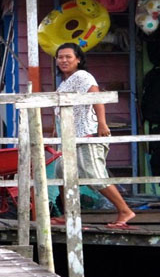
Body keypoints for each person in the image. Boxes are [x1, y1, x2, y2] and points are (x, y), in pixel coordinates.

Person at [53, 42, 135, 229]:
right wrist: (55, 132)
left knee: (93, 173)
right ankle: (69, 214)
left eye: (68, 57)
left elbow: (96, 98)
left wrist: (102, 123)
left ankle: (124, 210)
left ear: (78, 59)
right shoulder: (64, 82)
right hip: (68, 136)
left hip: (86, 132)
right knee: (61, 173)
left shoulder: (83, 76)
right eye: (60, 57)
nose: (64, 60)